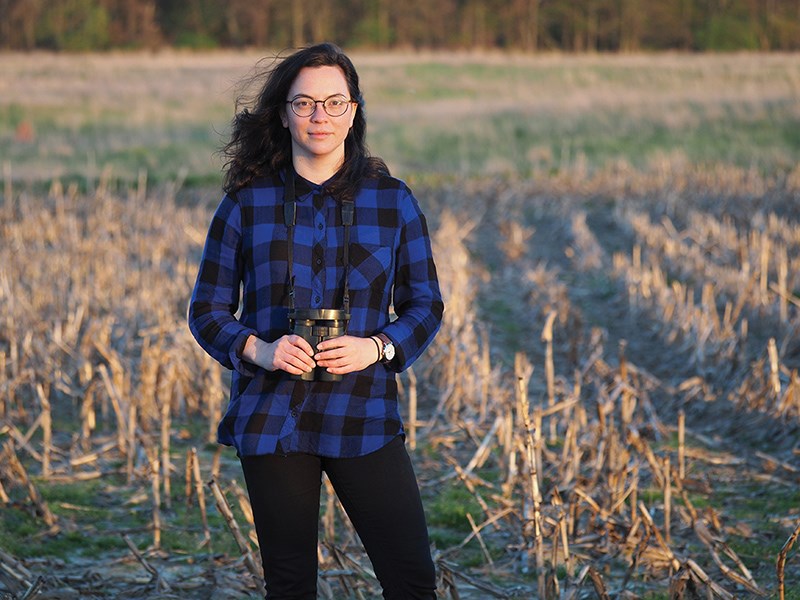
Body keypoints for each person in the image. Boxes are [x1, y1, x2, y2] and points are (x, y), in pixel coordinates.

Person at [188, 42, 444, 600]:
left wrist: (375, 347)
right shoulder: (245, 203)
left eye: (333, 102)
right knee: (290, 584)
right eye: (304, 104)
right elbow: (206, 310)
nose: (319, 117)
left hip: (365, 414)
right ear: (283, 113)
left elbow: (426, 306)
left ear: (354, 110)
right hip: (273, 419)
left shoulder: (393, 202)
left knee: (412, 579)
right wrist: (261, 349)